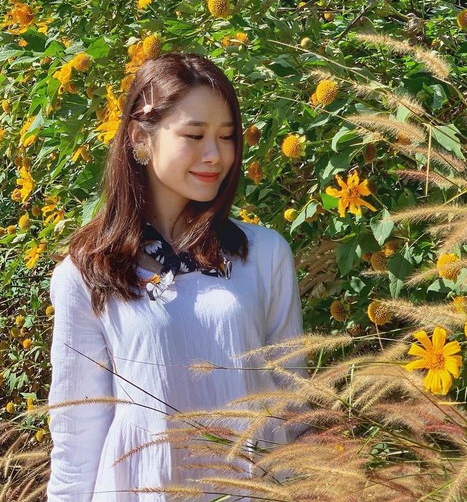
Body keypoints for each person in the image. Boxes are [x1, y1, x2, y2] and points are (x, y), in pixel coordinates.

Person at [46, 51, 310, 501]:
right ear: (139, 139)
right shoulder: (87, 273)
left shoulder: (265, 254)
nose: (215, 155)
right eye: (194, 135)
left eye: (227, 137)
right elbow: (77, 433)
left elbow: (294, 404)